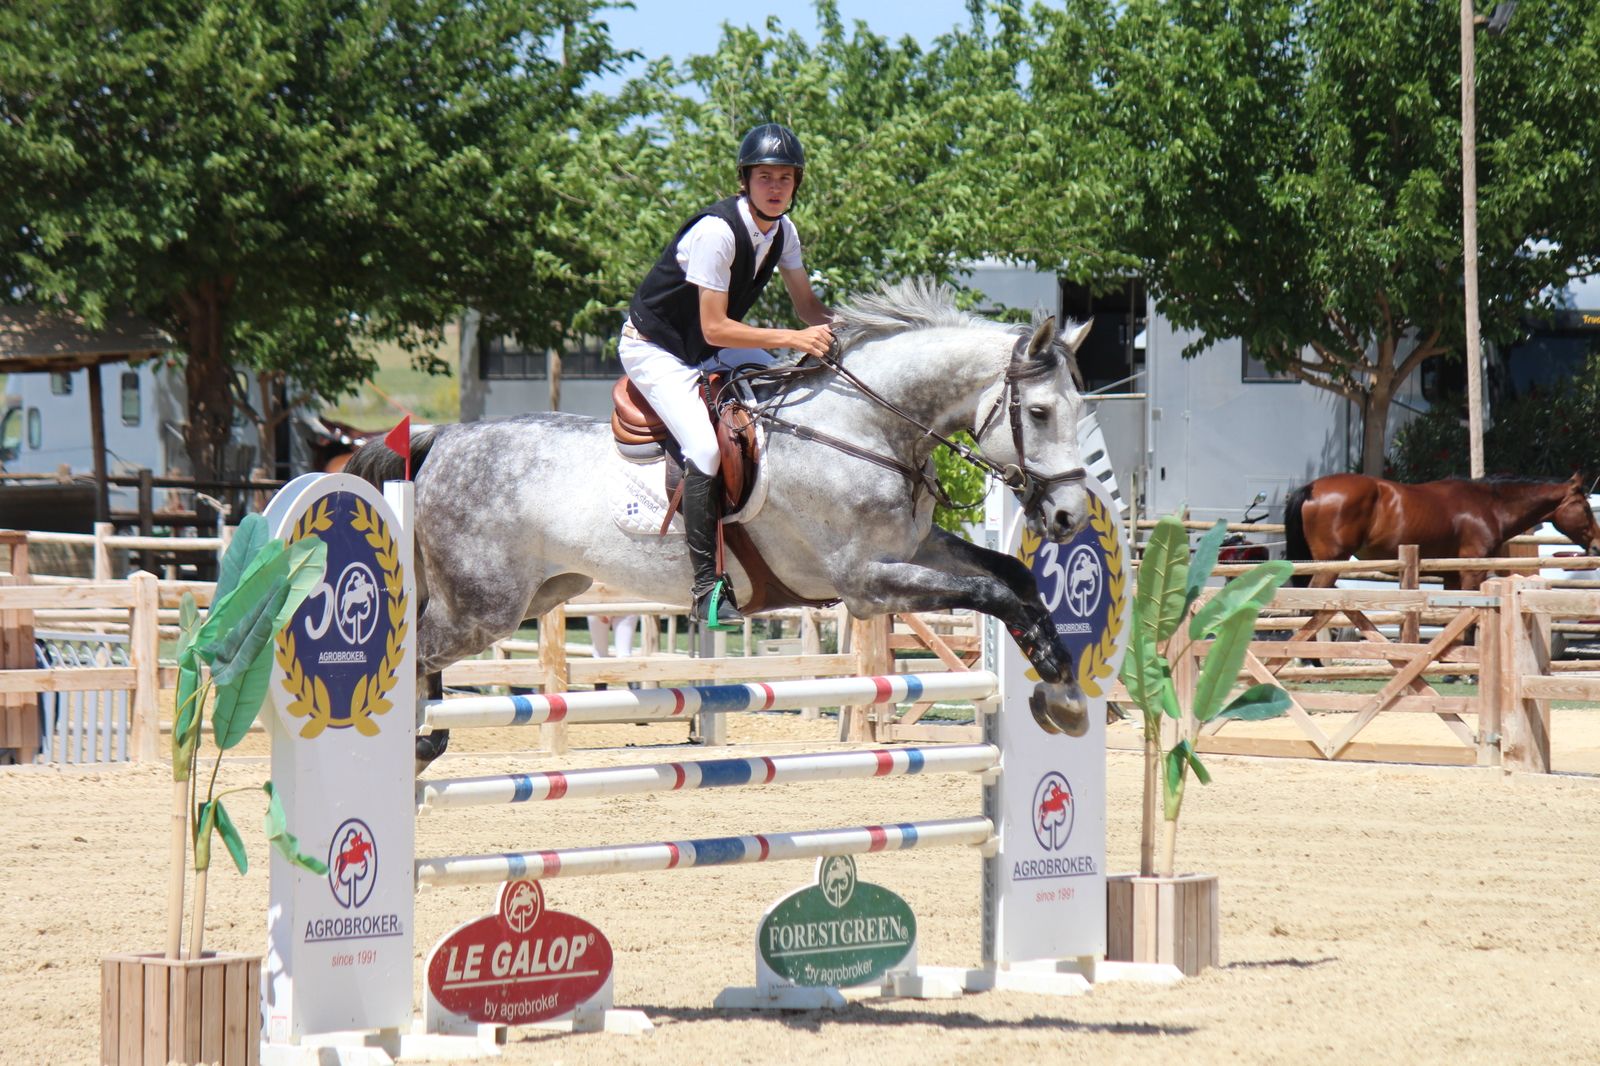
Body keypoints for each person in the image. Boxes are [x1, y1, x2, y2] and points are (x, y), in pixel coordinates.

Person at [620, 122, 833, 631]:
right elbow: (715, 326)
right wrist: (794, 338)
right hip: (656, 348)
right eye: (765, 177)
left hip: (706, 348)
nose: (776, 187)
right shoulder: (717, 232)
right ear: (745, 180)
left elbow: (808, 308)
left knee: (781, 396)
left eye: (785, 178)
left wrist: (858, 333)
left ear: (797, 184)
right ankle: (707, 589)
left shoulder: (783, 232)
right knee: (707, 448)